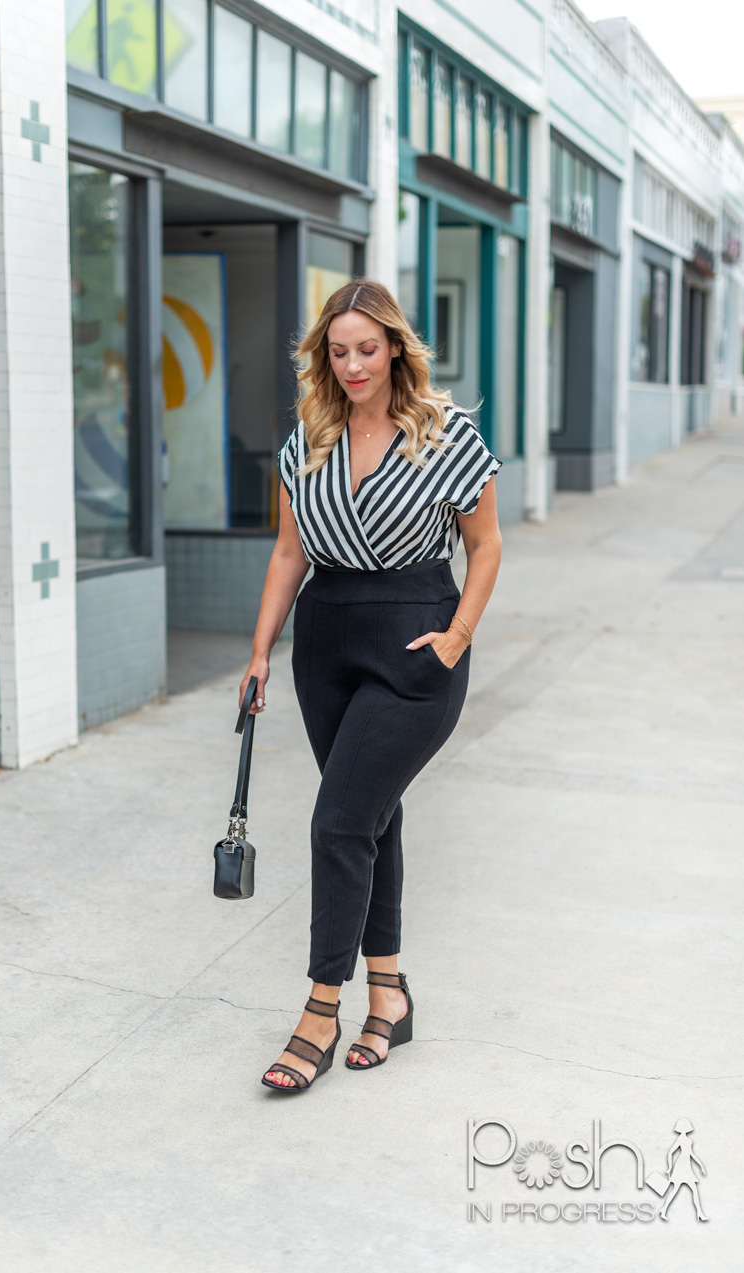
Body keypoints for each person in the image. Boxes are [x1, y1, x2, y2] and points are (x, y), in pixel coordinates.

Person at [239, 279, 502, 1092]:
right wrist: (258, 655)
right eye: (338, 350)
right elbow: (290, 555)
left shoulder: (444, 433)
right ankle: (389, 993)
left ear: (393, 346)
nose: (353, 364)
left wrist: (457, 638)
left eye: (366, 347)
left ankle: (323, 1007)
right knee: (369, 817)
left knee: (338, 822)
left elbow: (485, 546)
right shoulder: (306, 441)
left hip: (417, 640)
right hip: (327, 643)